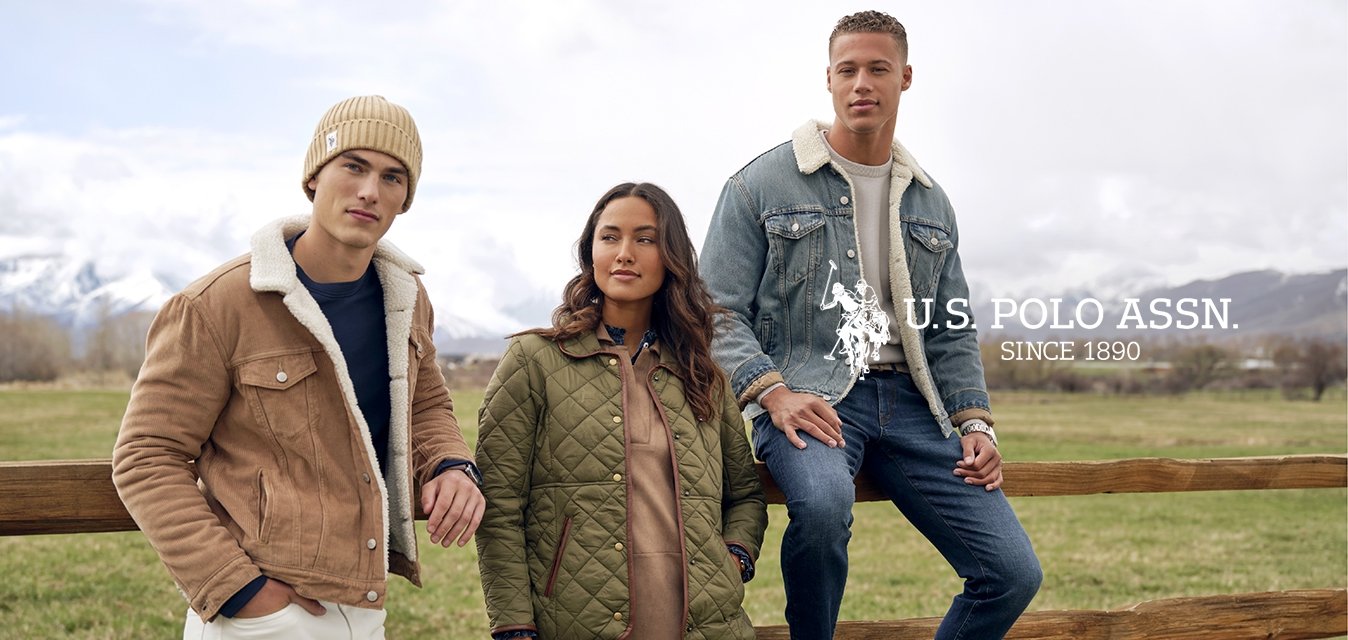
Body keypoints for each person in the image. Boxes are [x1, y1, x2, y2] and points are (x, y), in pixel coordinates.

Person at [699, 11, 1043, 639]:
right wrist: (771, 392)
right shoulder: (759, 184)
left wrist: (974, 423)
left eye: (878, 69)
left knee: (1014, 573)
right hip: (812, 396)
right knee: (825, 506)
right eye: (848, 69)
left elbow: (951, 328)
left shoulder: (930, 200)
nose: (862, 82)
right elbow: (715, 311)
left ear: (905, 78)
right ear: (828, 80)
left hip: (918, 407)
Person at [112, 95, 485, 639]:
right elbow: (145, 456)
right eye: (353, 166)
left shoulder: (406, 297)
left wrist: (451, 462)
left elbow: (425, 404)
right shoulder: (217, 305)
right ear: (313, 177)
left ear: (405, 199)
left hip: (366, 603)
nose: (369, 191)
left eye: (392, 177)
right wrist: (238, 591)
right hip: (256, 612)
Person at [475, 183, 767, 639]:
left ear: (670, 257)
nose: (624, 253)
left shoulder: (704, 372)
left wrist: (733, 557)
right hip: (579, 622)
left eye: (645, 239)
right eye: (610, 237)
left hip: (707, 624)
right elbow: (500, 507)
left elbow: (745, 494)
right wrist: (514, 626)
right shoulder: (534, 361)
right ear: (591, 252)